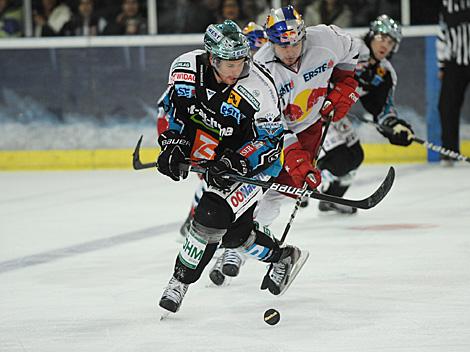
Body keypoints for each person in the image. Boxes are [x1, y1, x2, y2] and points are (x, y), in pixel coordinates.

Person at [156, 20, 309, 314]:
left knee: (210, 216)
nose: (235, 70)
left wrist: (237, 160)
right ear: (212, 58)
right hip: (217, 153)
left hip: (254, 164)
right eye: (228, 63)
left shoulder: (260, 88)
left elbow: (272, 139)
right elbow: (177, 112)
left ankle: (179, 281)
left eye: (240, 62)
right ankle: (282, 256)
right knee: (233, 235)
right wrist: (173, 145)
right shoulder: (184, 68)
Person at [208, 5, 361, 285]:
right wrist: (297, 159)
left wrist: (345, 84)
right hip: (270, 133)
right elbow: (273, 125)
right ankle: (235, 245)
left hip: (311, 127)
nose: (290, 51)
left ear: (303, 35)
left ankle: (236, 251)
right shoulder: (260, 70)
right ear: (269, 41)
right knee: (256, 187)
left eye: (295, 43)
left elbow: (353, 50)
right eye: (281, 45)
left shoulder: (326, 38)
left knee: (281, 194)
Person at [307, 14, 415, 214]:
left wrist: (394, 126)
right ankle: (304, 182)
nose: (385, 44)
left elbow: (383, 108)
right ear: (372, 36)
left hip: (334, 114)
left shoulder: (384, 73)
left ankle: (332, 198)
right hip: (312, 107)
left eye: (391, 41)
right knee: (340, 158)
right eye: (382, 37)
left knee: (356, 155)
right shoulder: (353, 49)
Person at [437, 0, 470, 165]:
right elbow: (443, 29)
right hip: (454, 61)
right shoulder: (447, 3)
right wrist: (441, 64)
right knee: (446, 106)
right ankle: (450, 151)